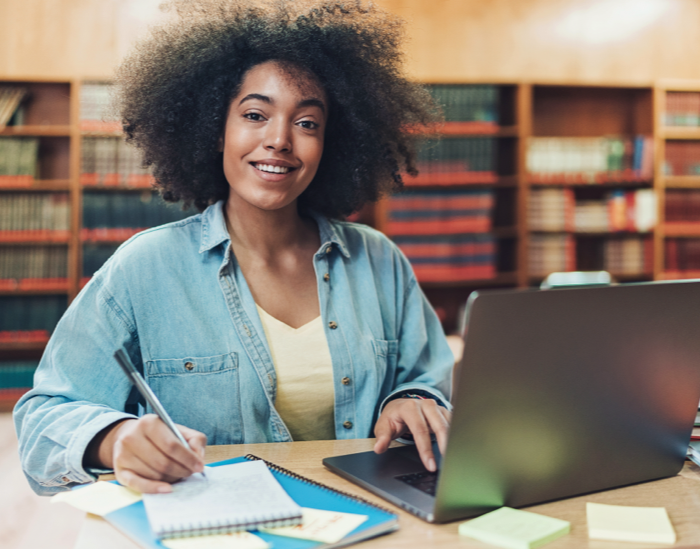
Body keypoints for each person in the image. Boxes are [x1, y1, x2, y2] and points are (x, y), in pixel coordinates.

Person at [14, 0, 454, 496]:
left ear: (333, 142)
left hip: (370, 521)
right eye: (254, 114)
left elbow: (430, 379)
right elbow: (43, 418)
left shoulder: (379, 260)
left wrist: (415, 399)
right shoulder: (145, 267)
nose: (280, 140)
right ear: (213, 129)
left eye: (307, 123)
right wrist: (116, 439)